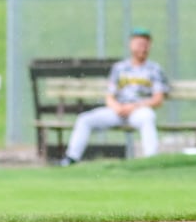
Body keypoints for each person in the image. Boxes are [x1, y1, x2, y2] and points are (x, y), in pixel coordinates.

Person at [60, 28, 168, 166]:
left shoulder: (154, 69)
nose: (143, 48)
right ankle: (71, 159)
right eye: (140, 44)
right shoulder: (119, 68)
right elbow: (109, 96)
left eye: (146, 44)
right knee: (84, 119)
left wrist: (134, 106)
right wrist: (117, 107)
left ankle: (151, 160)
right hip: (117, 110)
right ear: (131, 45)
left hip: (139, 110)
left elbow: (158, 99)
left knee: (148, 117)